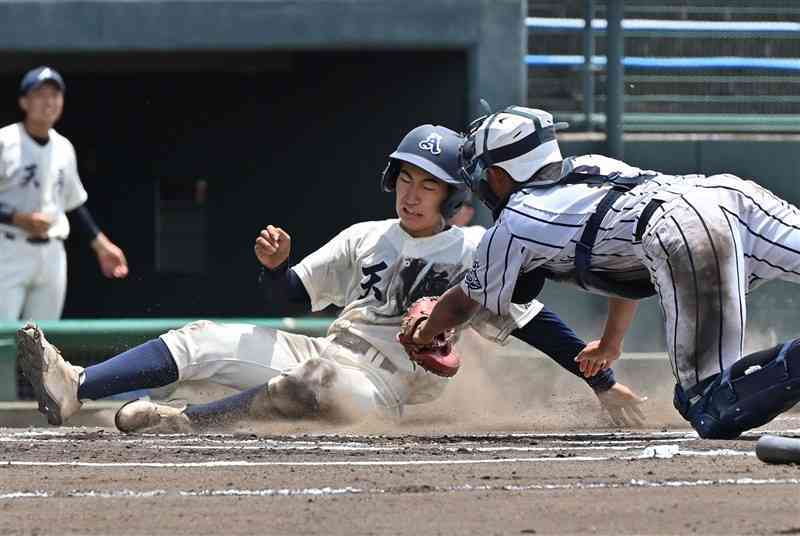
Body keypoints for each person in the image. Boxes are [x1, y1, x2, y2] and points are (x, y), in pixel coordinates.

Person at [16, 124, 645, 433]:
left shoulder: (482, 248)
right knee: (205, 337)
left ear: (456, 194)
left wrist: (605, 385)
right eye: (405, 178)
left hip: (385, 389)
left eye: (429, 184)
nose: (412, 193)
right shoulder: (366, 235)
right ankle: (78, 385)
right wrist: (276, 270)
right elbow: (294, 296)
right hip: (326, 348)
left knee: (320, 382)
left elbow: (540, 325)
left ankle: (188, 421)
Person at [408, 105, 800, 439]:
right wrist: (612, 342)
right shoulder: (592, 166)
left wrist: (425, 333)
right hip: (728, 195)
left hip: (688, 227)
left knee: (709, 405)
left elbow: (463, 304)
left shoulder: (514, 221)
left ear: (497, 175)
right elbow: (628, 258)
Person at [0, 66, 128, 321]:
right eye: (40, 94)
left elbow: (72, 203)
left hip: (52, 255)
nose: (49, 101)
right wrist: (18, 218)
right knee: (2, 340)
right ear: (24, 101)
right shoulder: (5, 141)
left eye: (55, 95)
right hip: (8, 246)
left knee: (43, 342)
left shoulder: (64, 147)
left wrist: (102, 246)